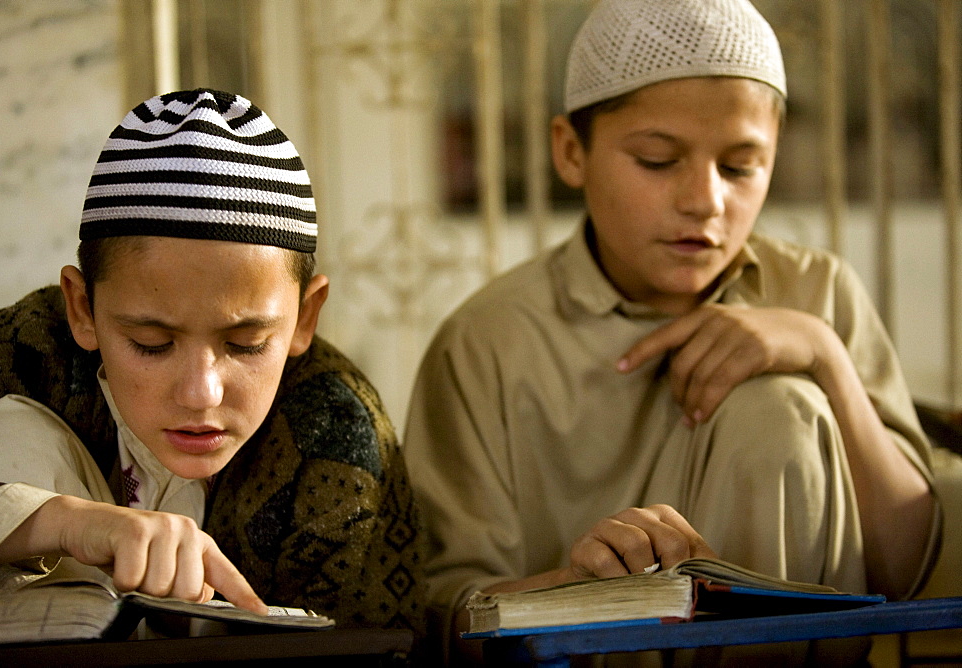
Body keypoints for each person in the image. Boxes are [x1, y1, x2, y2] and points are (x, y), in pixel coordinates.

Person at [402, 0, 941, 662]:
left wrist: (823, 355)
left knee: (782, 407)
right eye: (658, 160)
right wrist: (576, 591)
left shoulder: (817, 294)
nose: (706, 200)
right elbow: (444, 616)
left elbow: (904, 574)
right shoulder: (487, 343)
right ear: (571, 152)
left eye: (741, 166)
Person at [0, 89, 424, 633]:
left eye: (246, 344)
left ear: (305, 317)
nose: (201, 393)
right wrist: (54, 523)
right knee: (8, 435)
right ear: (82, 308)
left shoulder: (338, 435)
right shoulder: (12, 356)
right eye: (152, 344)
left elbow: (375, 646)